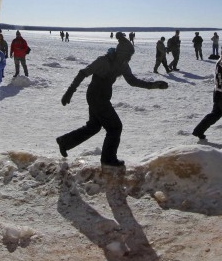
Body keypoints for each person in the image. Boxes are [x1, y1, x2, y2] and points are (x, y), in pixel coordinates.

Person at [56, 33, 168, 167]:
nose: (129, 58)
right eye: (128, 55)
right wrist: (70, 91)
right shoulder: (103, 61)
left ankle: (64, 142)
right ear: (120, 52)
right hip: (95, 95)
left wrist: (153, 85)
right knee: (115, 127)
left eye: (130, 56)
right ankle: (108, 159)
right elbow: (83, 73)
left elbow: (132, 81)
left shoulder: (123, 65)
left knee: (94, 126)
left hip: (103, 97)